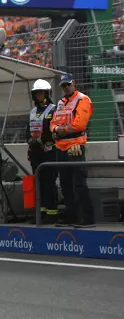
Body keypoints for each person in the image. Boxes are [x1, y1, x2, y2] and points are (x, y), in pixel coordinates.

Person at [51, 74, 95, 228]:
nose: (65, 88)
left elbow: (80, 125)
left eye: (67, 84)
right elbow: (52, 123)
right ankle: (71, 216)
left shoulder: (83, 100)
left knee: (79, 183)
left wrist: (62, 130)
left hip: (75, 146)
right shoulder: (60, 102)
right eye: (63, 86)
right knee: (65, 184)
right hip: (60, 147)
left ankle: (87, 217)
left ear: (74, 83)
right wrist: (57, 129)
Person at [26, 79, 59, 222]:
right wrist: (30, 141)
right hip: (35, 152)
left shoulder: (54, 109)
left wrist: (44, 140)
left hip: (49, 150)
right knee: (38, 182)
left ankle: (52, 214)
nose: (39, 95)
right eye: (36, 93)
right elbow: (27, 130)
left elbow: (54, 129)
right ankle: (40, 213)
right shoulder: (33, 111)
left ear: (47, 93)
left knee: (49, 182)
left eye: (41, 92)